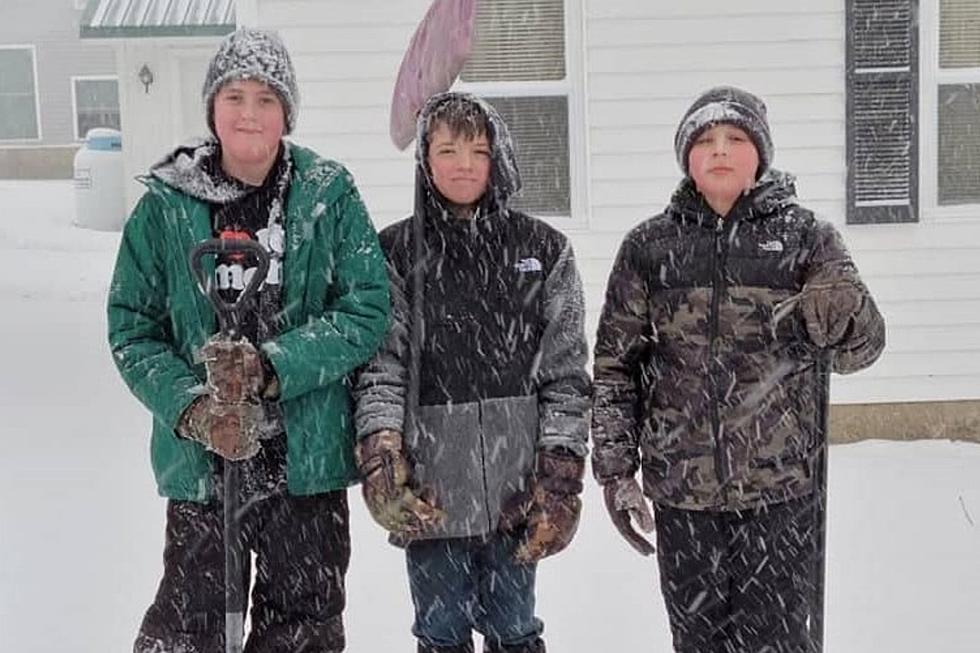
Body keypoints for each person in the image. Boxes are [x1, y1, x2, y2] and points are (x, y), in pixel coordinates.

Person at [107, 28, 390, 653]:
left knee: (303, 633)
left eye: (266, 99)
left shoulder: (327, 194)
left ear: (286, 112)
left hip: (304, 464)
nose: (249, 114)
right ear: (212, 108)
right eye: (234, 96)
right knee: (189, 632)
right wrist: (195, 408)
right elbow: (132, 330)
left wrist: (272, 367)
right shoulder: (167, 206)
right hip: (205, 470)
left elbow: (368, 308)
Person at [591, 86, 886, 653]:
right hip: (683, 494)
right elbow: (614, 369)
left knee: (776, 641)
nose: (720, 150)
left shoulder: (806, 239)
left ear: (761, 154)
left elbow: (862, 349)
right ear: (687, 158)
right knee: (699, 640)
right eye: (705, 140)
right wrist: (615, 471)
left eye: (736, 138)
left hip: (780, 492)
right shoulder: (650, 248)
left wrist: (845, 311)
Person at [353, 92, 591, 653]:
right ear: (425, 160)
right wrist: (383, 455)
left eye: (478, 151)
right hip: (432, 489)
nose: (463, 164)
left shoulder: (543, 250)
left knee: (515, 628)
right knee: (440, 634)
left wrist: (558, 473)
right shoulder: (396, 253)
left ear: (498, 160)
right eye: (447, 149)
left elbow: (565, 374)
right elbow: (382, 368)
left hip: (517, 487)